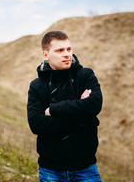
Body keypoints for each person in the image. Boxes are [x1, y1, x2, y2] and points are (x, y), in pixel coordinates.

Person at [27, 30, 103, 182]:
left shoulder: (85, 75)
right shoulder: (37, 86)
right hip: (50, 171)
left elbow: (95, 105)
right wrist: (83, 118)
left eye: (69, 49)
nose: (67, 54)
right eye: (60, 50)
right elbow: (36, 124)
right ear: (46, 55)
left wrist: (54, 109)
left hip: (85, 168)